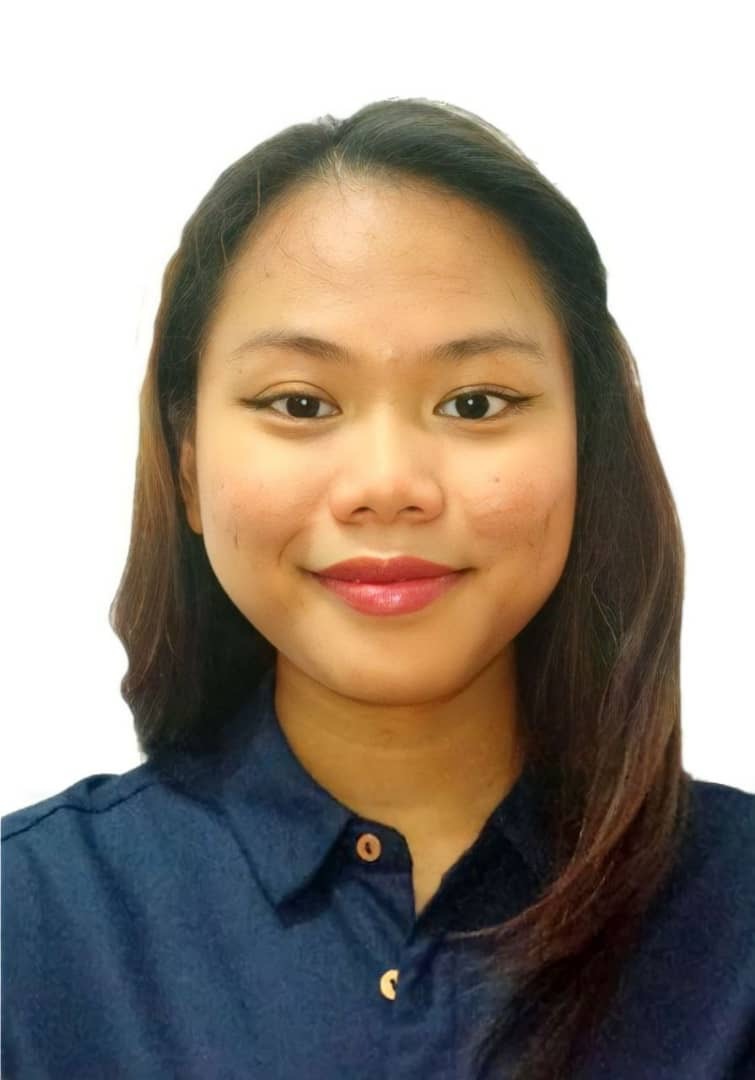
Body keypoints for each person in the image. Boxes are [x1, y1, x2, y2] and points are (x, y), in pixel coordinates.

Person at [2, 97, 753, 1080]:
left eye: (474, 402)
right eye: (299, 403)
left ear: (585, 443)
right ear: (186, 462)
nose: (389, 484)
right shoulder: (32, 923)